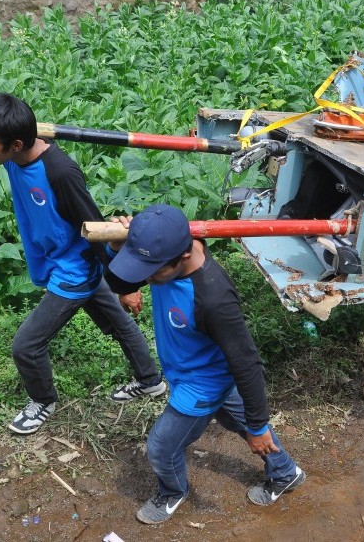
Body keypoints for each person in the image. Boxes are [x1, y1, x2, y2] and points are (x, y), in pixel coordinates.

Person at [0, 93, 166, 435]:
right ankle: (150, 381)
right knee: (120, 325)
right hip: (65, 263)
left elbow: (94, 228)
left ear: (15, 144)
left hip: (74, 271)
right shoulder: (12, 154)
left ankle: (43, 402)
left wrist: (127, 285)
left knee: (26, 346)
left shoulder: (60, 173)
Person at [104, 204, 305, 524]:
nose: (146, 278)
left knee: (160, 447)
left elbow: (247, 363)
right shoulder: (163, 248)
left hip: (202, 382)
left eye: (150, 271)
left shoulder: (213, 298)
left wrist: (258, 423)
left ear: (182, 257)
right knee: (236, 422)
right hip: (200, 371)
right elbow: (120, 275)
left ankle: (172, 492)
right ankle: (285, 472)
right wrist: (117, 247)